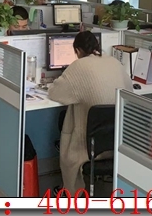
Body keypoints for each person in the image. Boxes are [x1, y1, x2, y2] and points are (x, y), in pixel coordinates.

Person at [47, 31, 133, 194]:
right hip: (117, 143)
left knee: (67, 115)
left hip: (88, 148)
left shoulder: (78, 66)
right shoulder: (115, 62)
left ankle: (69, 190)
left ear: (78, 51)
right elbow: (129, 94)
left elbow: (54, 93)